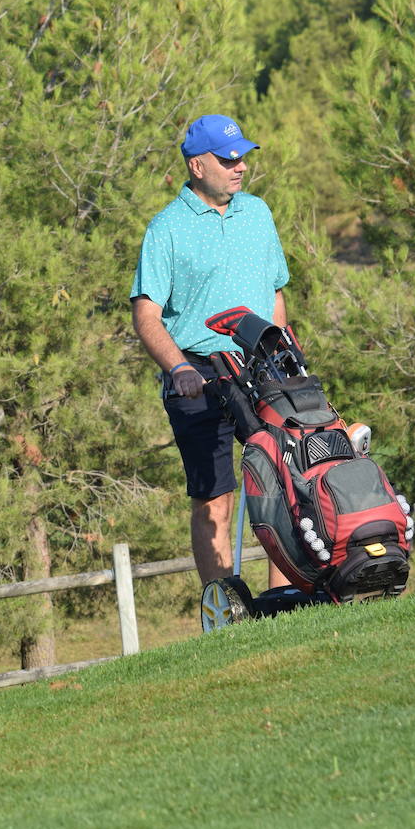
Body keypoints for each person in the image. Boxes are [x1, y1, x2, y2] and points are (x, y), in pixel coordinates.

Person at [130, 114, 290, 626]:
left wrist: (282, 355)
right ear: (197, 165)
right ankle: (228, 609)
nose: (240, 166)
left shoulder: (258, 214)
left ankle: (288, 602)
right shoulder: (166, 228)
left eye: (242, 156)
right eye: (228, 159)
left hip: (261, 362)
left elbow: (275, 292)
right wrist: (177, 368)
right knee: (215, 500)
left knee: (285, 483)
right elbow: (146, 314)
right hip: (197, 372)